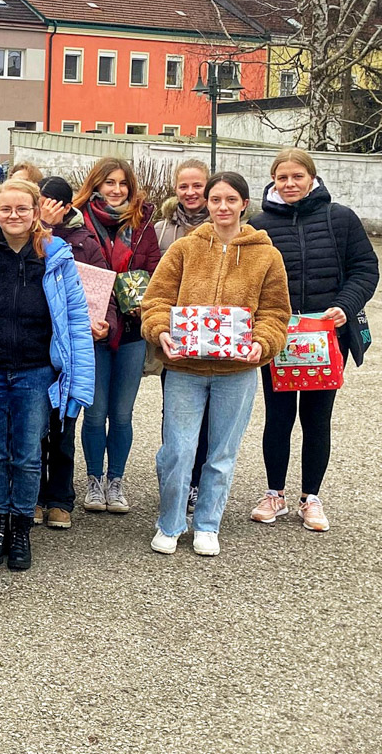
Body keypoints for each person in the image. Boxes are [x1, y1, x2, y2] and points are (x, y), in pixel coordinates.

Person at [0, 180, 94, 570]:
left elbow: (76, 320)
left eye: (22, 209)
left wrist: (79, 378)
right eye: (6, 209)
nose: (14, 216)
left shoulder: (57, 257)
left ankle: (22, 527)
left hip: (35, 373)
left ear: (34, 212)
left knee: (28, 456)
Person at [142, 171, 290, 557]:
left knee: (222, 452)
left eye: (230, 200)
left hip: (237, 372)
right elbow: (155, 302)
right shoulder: (185, 250)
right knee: (177, 449)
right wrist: (161, 332)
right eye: (215, 200)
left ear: (244, 204)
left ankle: (208, 524)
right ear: (206, 204)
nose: (222, 207)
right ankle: (171, 522)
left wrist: (263, 343)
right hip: (185, 369)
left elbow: (276, 312)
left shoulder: (266, 255)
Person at [249, 148, 378, 532]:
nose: (289, 184)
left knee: (317, 418)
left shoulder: (341, 219)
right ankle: (274, 493)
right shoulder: (259, 225)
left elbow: (365, 268)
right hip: (279, 338)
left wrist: (345, 304)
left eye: (296, 177)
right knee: (278, 416)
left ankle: (311, 498)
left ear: (312, 178)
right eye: (281, 178)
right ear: (273, 181)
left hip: (327, 336)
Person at [74, 157, 161, 514]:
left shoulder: (142, 224)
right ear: (96, 184)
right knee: (94, 414)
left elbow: (156, 267)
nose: (116, 190)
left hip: (131, 332)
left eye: (122, 183)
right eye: (109, 183)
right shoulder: (79, 221)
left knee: (122, 414)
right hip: (92, 330)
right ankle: (94, 481)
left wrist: (144, 296)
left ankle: (116, 480)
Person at [36, 176, 114, 529]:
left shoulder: (86, 242)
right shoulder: (30, 237)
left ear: (69, 208)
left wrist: (105, 323)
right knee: (34, 429)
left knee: (65, 428)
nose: (46, 207)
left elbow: (105, 291)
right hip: (37, 345)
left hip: (71, 347)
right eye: (41, 199)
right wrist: (43, 229)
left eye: (54, 202)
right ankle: (34, 496)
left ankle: (60, 499)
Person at [153, 159, 212, 512]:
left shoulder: (228, 226)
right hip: (176, 338)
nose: (191, 193)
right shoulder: (161, 230)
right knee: (174, 413)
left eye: (198, 186)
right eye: (183, 187)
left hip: (218, 337)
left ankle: (197, 483)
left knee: (209, 418)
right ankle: (176, 479)